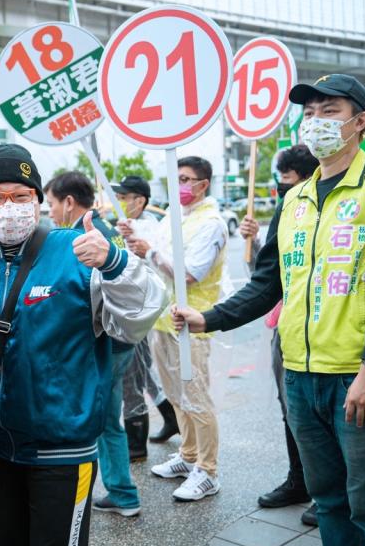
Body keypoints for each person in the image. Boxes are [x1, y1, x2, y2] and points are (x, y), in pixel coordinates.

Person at [174, 74, 365, 546]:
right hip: (300, 377)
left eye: (329, 111)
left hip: (359, 378)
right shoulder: (295, 200)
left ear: (360, 122)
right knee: (329, 498)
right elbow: (268, 284)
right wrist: (209, 317)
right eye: (309, 112)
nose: (316, 122)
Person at [0, 144, 165, 546]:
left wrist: (114, 261)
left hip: (62, 450)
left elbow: (140, 316)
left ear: (38, 200)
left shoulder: (76, 252)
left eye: (20, 195)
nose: (8, 207)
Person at [126, 156, 228, 502]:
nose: (181, 185)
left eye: (187, 179)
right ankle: (188, 455)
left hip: (194, 323)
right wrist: (139, 244)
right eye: (176, 178)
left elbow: (189, 273)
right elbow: (156, 261)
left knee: (196, 397)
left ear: (204, 184)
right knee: (176, 395)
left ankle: (208, 470)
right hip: (164, 319)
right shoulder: (174, 215)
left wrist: (150, 251)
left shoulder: (211, 222)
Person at [45, 170, 144, 518]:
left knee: (98, 422)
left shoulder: (84, 239)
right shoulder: (109, 230)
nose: (51, 211)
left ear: (69, 202)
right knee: (107, 420)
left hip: (105, 345)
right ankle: (121, 491)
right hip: (123, 342)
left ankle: (116, 493)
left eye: (53, 203)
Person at [238, 144, 320, 525]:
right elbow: (267, 277)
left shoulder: (330, 210)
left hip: (324, 329)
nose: (280, 193)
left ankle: (328, 490)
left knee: (323, 417)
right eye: (278, 186)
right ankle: (299, 481)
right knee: (292, 410)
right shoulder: (285, 214)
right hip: (286, 327)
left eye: (286, 185)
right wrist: (254, 242)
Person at [114, 176, 182, 445]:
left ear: (139, 201)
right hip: (132, 307)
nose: (119, 202)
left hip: (143, 310)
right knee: (144, 370)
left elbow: (158, 270)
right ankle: (170, 417)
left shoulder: (151, 230)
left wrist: (139, 245)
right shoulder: (126, 227)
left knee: (136, 371)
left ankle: (137, 441)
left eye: (123, 197)